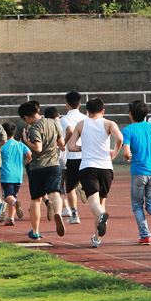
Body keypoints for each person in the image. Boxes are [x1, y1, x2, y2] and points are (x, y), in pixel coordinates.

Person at [67, 98, 124, 248]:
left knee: (93, 203)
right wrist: (115, 153)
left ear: (88, 111)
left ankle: (101, 217)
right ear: (103, 111)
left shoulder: (81, 124)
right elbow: (120, 138)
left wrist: (83, 148)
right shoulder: (109, 123)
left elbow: (71, 147)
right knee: (101, 203)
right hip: (106, 167)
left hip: (88, 166)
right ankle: (97, 238)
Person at [122, 100, 151, 245]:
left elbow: (126, 153)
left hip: (138, 171)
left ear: (130, 113)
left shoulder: (128, 130)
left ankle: (146, 235)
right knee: (150, 204)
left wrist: (130, 156)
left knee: (137, 205)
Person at [19, 102, 66, 240]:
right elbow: (61, 143)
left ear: (27, 117)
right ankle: (57, 212)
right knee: (55, 193)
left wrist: (26, 140)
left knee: (36, 200)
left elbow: (37, 148)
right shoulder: (53, 123)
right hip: (54, 164)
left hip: (37, 167)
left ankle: (35, 231)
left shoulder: (33, 128)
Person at [60, 91, 86, 225]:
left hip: (73, 156)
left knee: (69, 187)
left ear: (67, 105)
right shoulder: (86, 118)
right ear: (80, 104)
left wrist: (65, 143)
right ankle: (82, 186)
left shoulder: (64, 119)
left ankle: (74, 214)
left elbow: (69, 131)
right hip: (86, 156)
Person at [0, 122, 30, 227]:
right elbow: (29, 155)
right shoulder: (20, 144)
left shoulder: (2, 146)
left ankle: (16, 203)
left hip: (7, 174)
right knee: (13, 196)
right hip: (18, 175)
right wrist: (24, 164)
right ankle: (10, 218)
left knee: (7, 197)